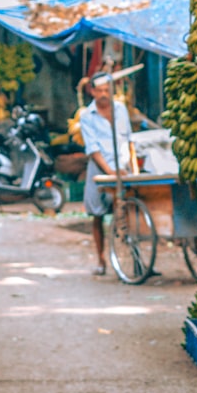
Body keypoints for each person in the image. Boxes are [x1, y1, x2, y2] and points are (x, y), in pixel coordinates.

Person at [79, 65, 132, 276]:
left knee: (129, 210)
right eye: (98, 91)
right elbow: (92, 148)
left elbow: (127, 139)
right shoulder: (87, 116)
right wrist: (109, 170)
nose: (103, 95)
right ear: (92, 91)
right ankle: (101, 259)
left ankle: (133, 257)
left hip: (122, 166)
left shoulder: (121, 110)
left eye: (106, 91)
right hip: (99, 167)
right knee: (97, 214)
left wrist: (125, 165)